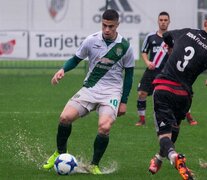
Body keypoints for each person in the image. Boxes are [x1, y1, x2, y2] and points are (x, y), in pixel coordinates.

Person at [43, 9, 135, 174]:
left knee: (104, 127)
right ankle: (60, 153)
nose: (107, 30)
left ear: (117, 25)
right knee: (65, 118)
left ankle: (94, 164)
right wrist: (62, 70)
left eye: (111, 26)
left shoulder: (125, 47)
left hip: (111, 93)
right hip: (90, 89)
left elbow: (129, 75)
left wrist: (124, 101)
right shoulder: (91, 41)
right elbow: (75, 59)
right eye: (104, 25)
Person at [148, 18, 207, 179]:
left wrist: (171, 47)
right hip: (184, 96)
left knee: (164, 135)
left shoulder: (187, 32)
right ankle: (159, 159)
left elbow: (166, 35)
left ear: (205, 24)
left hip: (165, 88)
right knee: (174, 126)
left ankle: (174, 157)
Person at [135, 11, 198, 126]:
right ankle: (142, 119)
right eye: (161, 20)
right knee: (142, 93)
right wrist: (147, 61)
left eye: (165, 20)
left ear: (169, 22)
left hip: (169, 72)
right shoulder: (150, 37)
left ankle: (188, 116)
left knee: (183, 93)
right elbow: (144, 52)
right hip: (152, 71)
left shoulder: (174, 37)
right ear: (158, 21)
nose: (163, 22)